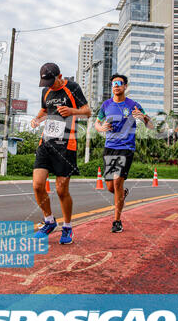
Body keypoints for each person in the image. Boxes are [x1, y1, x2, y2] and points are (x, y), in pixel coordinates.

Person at [31, 63, 91, 244]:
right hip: (46, 142)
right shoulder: (46, 91)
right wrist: (37, 119)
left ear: (60, 76)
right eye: (45, 82)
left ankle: (67, 227)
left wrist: (72, 111)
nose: (49, 85)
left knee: (61, 189)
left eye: (51, 81)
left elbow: (87, 112)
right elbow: (44, 110)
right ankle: (49, 221)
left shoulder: (72, 88)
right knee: (37, 185)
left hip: (66, 144)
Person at [94, 74, 154, 233]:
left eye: (120, 83)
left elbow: (151, 126)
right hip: (110, 147)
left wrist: (143, 117)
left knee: (117, 182)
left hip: (126, 148)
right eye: (114, 83)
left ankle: (117, 221)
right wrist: (101, 128)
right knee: (110, 187)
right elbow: (97, 123)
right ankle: (123, 193)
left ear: (125, 86)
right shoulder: (106, 105)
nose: (116, 86)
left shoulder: (133, 105)